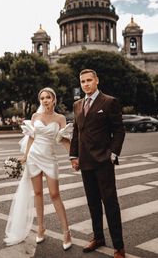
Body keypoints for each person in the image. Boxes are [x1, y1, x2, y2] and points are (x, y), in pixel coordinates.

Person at [4, 87, 73, 250]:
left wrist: (74, 158)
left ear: (54, 99)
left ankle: (66, 232)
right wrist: (25, 156)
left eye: (48, 97)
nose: (45, 100)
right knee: (38, 193)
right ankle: (41, 228)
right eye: (42, 98)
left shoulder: (60, 118)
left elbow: (64, 140)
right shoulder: (35, 116)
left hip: (49, 159)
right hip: (34, 158)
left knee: (55, 195)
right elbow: (31, 138)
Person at [70, 69, 126, 258]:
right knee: (93, 204)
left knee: (110, 204)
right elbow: (76, 132)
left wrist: (112, 154)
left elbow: (119, 131)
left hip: (103, 162)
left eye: (89, 80)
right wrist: (74, 156)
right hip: (85, 162)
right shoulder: (78, 104)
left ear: (96, 81)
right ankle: (98, 238)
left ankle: (119, 247)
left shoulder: (109, 102)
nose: (85, 84)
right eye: (82, 81)